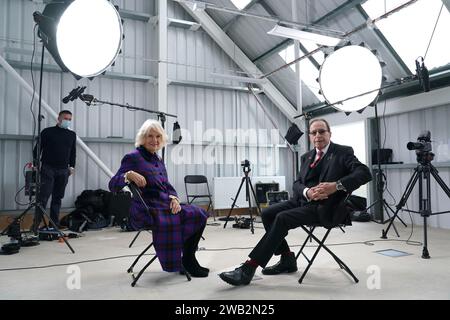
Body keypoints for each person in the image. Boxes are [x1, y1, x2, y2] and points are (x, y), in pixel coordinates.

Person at [219, 118, 372, 286]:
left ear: (329, 134)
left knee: (282, 218)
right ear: (310, 136)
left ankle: (249, 268)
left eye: (322, 131)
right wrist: (307, 191)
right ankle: (287, 259)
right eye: (314, 132)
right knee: (268, 213)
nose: (318, 135)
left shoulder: (343, 152)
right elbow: (297, 184)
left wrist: (336, 186)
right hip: (303, 201)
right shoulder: (306, 156)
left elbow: (364, 173)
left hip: (325, 207)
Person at [109, 119, 209, 277]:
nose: (154, 140)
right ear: (143, 138)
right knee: (183, 216)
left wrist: (174, 198)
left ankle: (189, 258)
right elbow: (113, 184)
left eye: (157, 136)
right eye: (150, 136)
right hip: (146, 208)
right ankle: (185, 261)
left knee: (199, 213)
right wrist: (128, 175)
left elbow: (167, 186)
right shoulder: (132, 157)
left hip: (163, 203)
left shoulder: (158, 159)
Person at [33, 110, 76, 229]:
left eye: (70, 119)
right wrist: (36, 163)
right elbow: (37, 148)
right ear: (59, 119)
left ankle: (54, 224)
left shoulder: (71, 135)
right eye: (66, 118)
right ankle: (35, 224)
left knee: (58, 197)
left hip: (63, 170)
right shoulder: (47, 132)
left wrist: (72, 167)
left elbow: (73, 152)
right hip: (48, 168)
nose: (67, 121)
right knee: (43, 197)